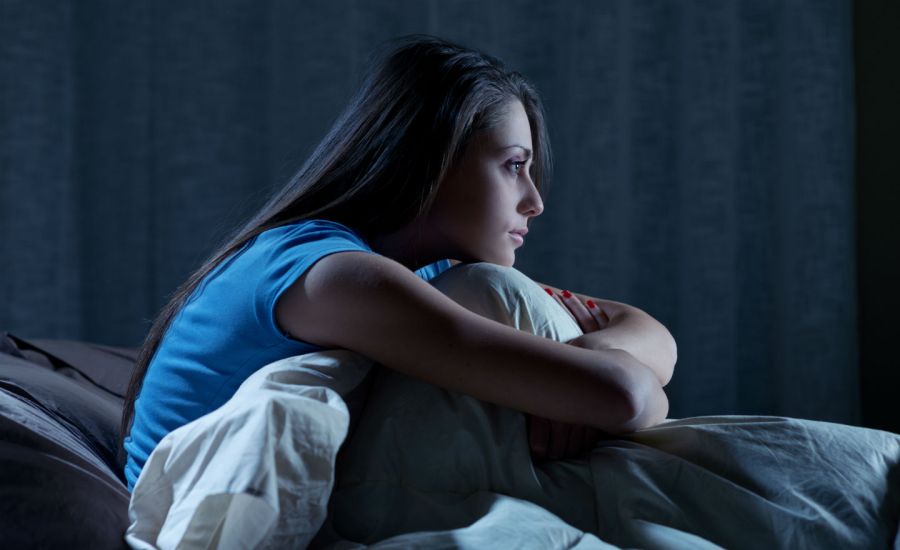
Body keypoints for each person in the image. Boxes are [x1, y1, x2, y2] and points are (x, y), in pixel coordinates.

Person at [119, 34, 676, 492]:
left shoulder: (427, 273)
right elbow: (627, 397)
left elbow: (649, 334)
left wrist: (580, 360)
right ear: (434, 161)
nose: (534, 200)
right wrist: (591, 385)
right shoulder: (336, 275)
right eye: (513, 165)